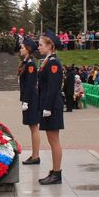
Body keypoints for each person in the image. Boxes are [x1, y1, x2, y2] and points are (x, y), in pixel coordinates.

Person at [37, 30, 64, 185]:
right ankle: (54, 171)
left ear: (50, 46)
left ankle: (57, 173)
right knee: (51, 140)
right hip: (48, 106)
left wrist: (47, 107)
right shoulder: (48, 60)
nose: (38, 47)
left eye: (41, 44)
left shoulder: (53, 62)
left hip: (52, 107)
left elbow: (53, 87)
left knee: (54, 141)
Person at [19, 37, 41, 165]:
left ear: (28, 49)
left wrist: (26, 101)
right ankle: (34, 155)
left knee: (34, 127)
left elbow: (31, 84)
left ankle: (35, 156)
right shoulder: (26, 62)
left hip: (31, 99)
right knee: (31, 126)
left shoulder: (31, 64)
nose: (20, 49)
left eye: (22, 47)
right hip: (28, 98)